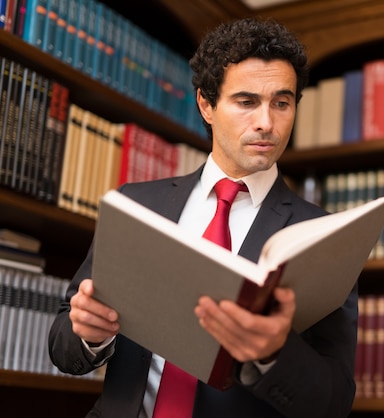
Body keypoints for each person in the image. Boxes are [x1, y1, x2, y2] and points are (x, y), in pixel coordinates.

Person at [48, 17, 357, 418]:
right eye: (246, 102)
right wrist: (88, 335)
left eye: (282, 103)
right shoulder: (136, 205)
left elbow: (335, 401)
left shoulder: (328, 237)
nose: (266, 122)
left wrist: (273, 355)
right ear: (206, 105)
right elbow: (62, 342)